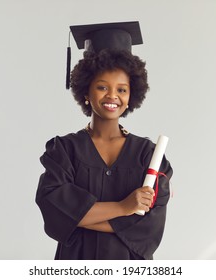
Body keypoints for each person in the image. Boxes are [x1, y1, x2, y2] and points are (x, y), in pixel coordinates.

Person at [35, 21, 173, 260]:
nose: (112, 96)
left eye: (122, 89)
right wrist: (124, 208)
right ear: (86, 92)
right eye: (102, 87)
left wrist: (78, 218)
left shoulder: (148, 155)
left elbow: (148, 228)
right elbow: (53, 210)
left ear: (131, 96)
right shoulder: (64, 151)